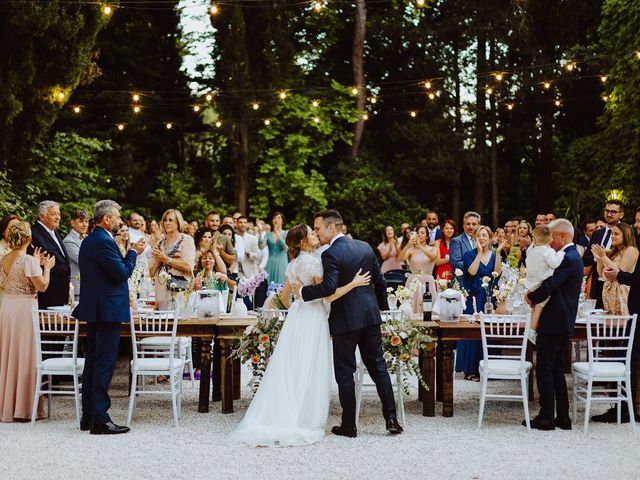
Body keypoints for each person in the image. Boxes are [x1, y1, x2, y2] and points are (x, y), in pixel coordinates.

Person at [227, 223, 371, 447]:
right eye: (312, 233)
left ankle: (286, 411)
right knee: (311, 365)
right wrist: (353, 283)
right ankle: (304, 416)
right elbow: (328, 296)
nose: (316, 234)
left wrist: (266, 310)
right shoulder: (314, 264)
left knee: (292, 365)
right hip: (313, 318)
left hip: (296, 317)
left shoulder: (292, 265)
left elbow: (283, 300)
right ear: (303, 241)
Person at [300, 210, 401, 437]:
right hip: (370, 318)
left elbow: (329, 288)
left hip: (345, 321)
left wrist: (303, 291)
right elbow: (380, 280)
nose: (316, 232)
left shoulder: (330, 254)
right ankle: (392, 420)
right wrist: (382, 309)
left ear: (331, 228)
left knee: (345, 373)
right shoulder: (365, 246)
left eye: (318, 228)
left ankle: (349, 426)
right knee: (378, 367)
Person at [72, 200, 145, 434]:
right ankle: (101, 419)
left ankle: (89, 417)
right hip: (106, 311)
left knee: (93, 363)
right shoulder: (103, 241)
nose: (119, 221)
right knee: (102, 364)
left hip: (97, 310)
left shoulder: (93, 240)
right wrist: (133, 252)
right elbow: (121, 273)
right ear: (106, 219)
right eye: (117, 217)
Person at [524, 219, 582, 430]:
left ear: (563, 236)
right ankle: (563, 417)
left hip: (555, 319)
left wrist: (532, 296)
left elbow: (551, 284)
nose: (549, 240)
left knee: (545, 369)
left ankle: (546, 416)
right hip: (561, 320)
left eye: (552, 236)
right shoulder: (570, 256)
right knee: (556, 368)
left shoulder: (568, 257)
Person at [0, 222, 55, 422]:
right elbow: (42, 287)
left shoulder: (5, 258)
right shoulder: (28, 261)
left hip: (7, 309)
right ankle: (23, 408)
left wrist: (35, 264)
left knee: (9, 356)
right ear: (29, 239)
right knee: (25, 356)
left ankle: (7, 406)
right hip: (24, 311)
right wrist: (46, 268)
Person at [455, 225, 504, 381]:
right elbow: (472, 272)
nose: (482, 238)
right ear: (475, 238)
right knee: (473, 332)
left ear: (489, 238)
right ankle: (471, 369)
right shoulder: (470, 254)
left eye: (484, 235)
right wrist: (479, 253)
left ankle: (490, 368)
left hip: (489, 296)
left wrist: (498, 253)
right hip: (474, 296)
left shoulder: (495, 254)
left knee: (489, 330)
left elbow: (497, 273)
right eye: (479, 236)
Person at [601, 244, 640, 423]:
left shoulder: (631, 250)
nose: (637, 225)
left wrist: (618, 276)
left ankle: (626, 408)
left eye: (639, 221)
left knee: (630, 358)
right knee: (628, 357)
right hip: (633, 311)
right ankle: (622, 406)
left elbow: (637, 278)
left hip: (634, 311)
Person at [149, 209, 196, 310]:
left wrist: (166, 259)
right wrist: (159, 261)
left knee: (179, 323)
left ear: (178, 222)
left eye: (171, 220)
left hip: (180, 291)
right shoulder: (159, 243)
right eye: (165, 220)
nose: (167, 223)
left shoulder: (187, 240)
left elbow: (188, 267)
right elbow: (151, 273)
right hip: (161, 292)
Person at [525, 226, 566, 339]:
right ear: (550, 240)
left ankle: (530, 327)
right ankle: (532, 332)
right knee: (539, 307)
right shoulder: (548, 251)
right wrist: (561, 254)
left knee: (533, 308)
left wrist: (533, 243)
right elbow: (555, 264)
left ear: (534, 239)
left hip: (531, 283)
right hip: (541, 284)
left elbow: (529, 252)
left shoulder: (531, 250)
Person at [583, 200, 625, 308]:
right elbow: (586, 258)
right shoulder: (597, 234)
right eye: (607, 211)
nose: (609, 214)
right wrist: (597, 258)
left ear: (621, 214)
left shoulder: (627, 233)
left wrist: (604, 257)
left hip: (617, 286)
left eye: (613, 212)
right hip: (597, 286)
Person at [29, 200, 71, 308]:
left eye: (59, 214)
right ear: (42, 216)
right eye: (54, 214)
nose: (58, 217)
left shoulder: (54, 232)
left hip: (60, 294)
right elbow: (32, 263)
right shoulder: (33, 234)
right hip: (46, 295)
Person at [592, 222, 638, 315]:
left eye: (616, 234)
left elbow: (619, 272)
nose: (612, 236)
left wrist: (603, 256)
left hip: (622, 296)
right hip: (610, 297)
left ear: (626, 235)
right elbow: (601, 274)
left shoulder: (631, 250)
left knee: (622, 327)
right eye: (612, 234)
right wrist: (599, 258)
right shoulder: (614, 252)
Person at [398, 225, 438, 316]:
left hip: (428, 280)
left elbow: (432, 257)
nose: (419, 235)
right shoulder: (410, 250)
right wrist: (408, 245)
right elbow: (400, 258)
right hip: (413, 280)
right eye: (418, 233)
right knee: (411, 307)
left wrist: (420, 246)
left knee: (428, 308)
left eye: (422, 233)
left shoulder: (433, 248)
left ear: (427, 236)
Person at [236, 216, 267, 308]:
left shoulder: (252, 238)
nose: (242, 224)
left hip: (250, 273)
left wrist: (250, 254)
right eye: (240, 222)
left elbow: (259, 255)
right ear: (236, 224)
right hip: (237, 272)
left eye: (244, 222)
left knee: (252, 301)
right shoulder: (234, 237)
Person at [63, 209, 89, 303]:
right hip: (77, 287)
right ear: (72, 223)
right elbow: (83, 260)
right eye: (81, 221)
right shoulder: (69, 241)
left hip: (89, 285)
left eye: (86, 221)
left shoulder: (87, 238)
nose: (85, 224)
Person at [261, 211, 288, 285]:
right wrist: (261, 232)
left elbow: (285, 247)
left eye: (279, 218)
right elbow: (261, 246)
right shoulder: (268, 234)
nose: (276, 220)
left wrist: (277, 231)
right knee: (268, 285)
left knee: (281, 285)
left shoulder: (287, 233)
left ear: (282, 221)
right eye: (274, 218)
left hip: (282, 262)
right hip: (270, 262)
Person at [0, 214, 21, 306]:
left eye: (19, 228)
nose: (16, 231)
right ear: (3, 231)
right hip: (6, 302)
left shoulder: (23, 249)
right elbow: (2, 281)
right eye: (12, 228)